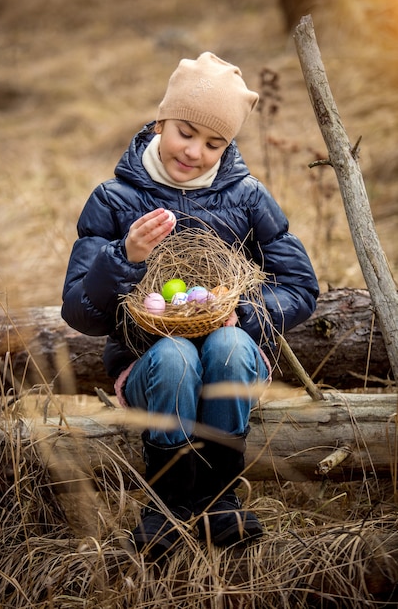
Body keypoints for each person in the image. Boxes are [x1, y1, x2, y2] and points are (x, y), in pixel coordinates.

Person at [61, 52, 319, 558]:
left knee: (225, 344)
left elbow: (300, 287)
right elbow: (80, 312)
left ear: (229, 145)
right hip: (148, 363)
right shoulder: (114, 200)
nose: (195, 152)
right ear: (161, 120)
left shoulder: (247, 198)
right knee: (177, 354)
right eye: (185, 131)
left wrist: (243, 313)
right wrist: (125, 257)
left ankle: (219, 503)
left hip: (234, 358)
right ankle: (169, 508)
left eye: (214, 142)